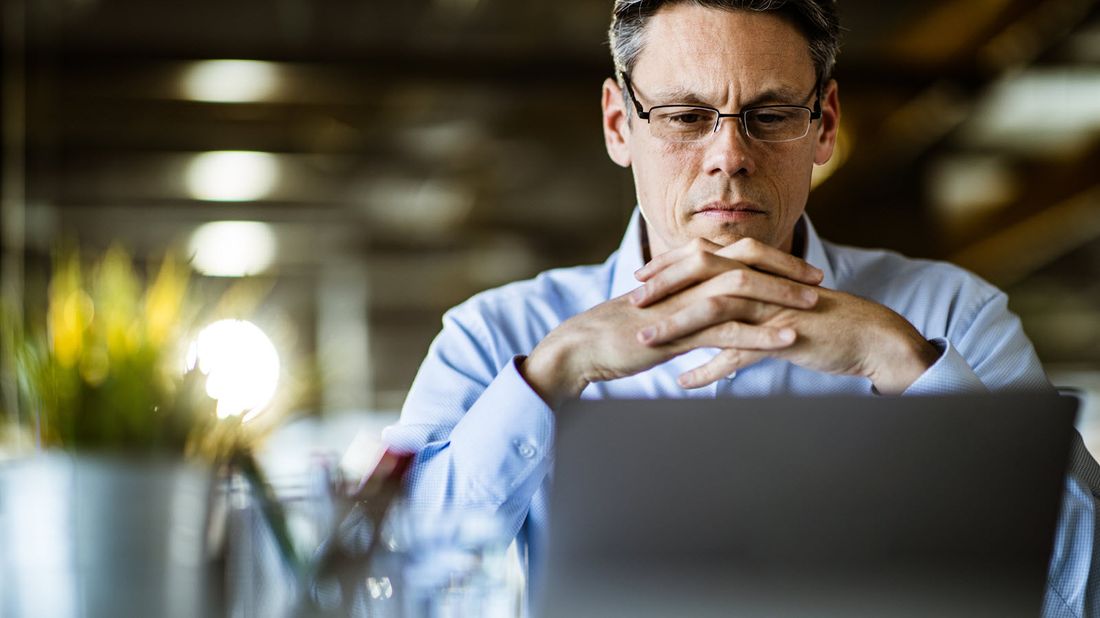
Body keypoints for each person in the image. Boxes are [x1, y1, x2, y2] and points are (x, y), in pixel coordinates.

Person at [383, 1, 1099, 614]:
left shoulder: (954, 319)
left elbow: (1080, 599)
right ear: (616, 123)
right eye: (686, 115)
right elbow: (379, 583)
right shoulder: (493, 336)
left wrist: (907, 367)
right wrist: (551, 373)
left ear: (824, 124)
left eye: (772, 113)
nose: (729, 155)